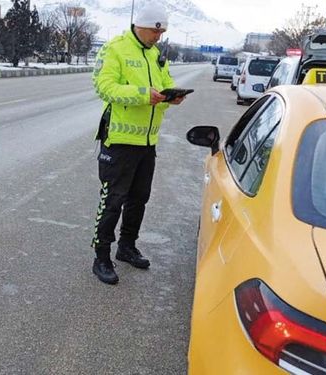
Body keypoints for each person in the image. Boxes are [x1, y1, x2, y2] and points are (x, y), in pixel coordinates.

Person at [89, 3, 185, 285]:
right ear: (140, 26)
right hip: (119, 141)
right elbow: (103, 87)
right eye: (156, 31)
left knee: (139, 198)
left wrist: (171, 96)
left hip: (147, 142)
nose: (159, 37)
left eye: (162, 32)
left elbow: (166, 83)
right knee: (112, 201)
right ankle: (101, 256)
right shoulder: (115, 48)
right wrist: (144, 94)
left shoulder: (156, 55)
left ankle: (126, 247)